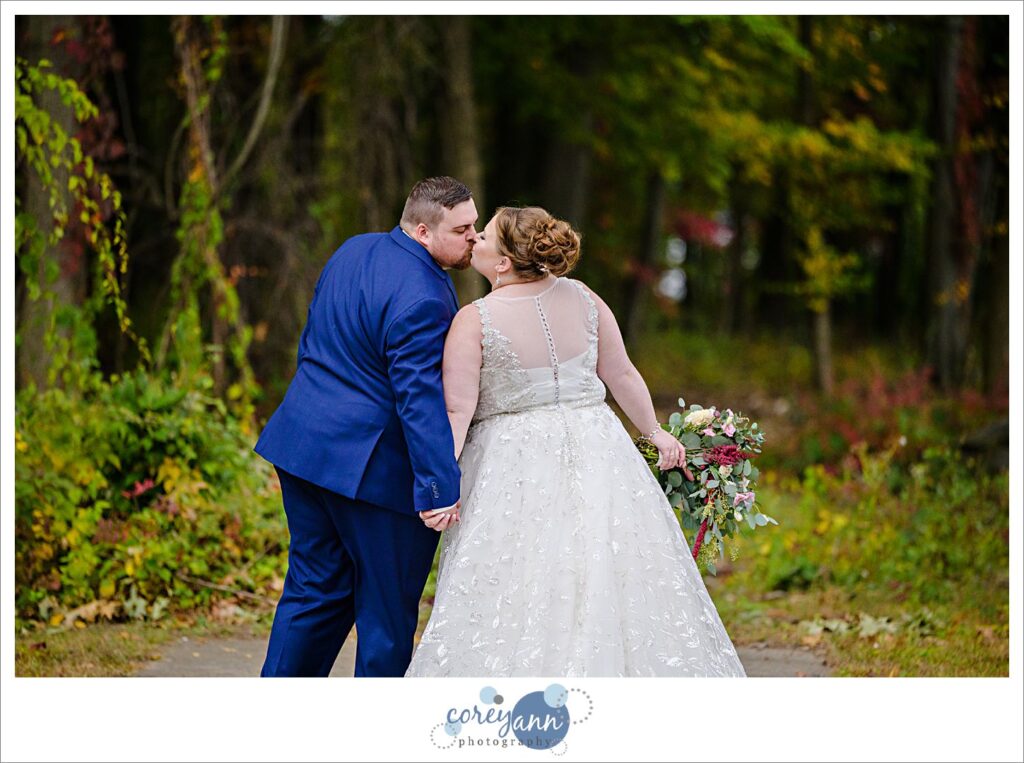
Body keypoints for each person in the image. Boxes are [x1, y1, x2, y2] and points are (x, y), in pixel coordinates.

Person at [405, 206, 747, 677]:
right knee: (603, 564)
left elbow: (457, 412)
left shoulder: (474, 320)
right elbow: (621, 373)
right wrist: (655, 432)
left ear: (503, 262)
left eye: (483, 236)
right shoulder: (585, 298)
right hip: (600, 450)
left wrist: (440, 484)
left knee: (520, 578)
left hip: (513, 465)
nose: (474, 240)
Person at [255, 176, 476, 677]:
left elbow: (317, 336)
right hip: (371, 472)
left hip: (303, 446)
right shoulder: (425, 296)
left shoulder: (353, 249)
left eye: (474, 225)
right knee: (386, 615)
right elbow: (418, 399)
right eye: (461, 230)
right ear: (423, 232)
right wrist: (438, 486)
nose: (474, 238)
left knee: (313, 591)